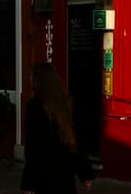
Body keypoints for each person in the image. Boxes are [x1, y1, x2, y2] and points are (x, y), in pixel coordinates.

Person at [20, 62, 95, 194]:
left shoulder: (35, 106)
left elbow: (34, 147)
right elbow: (74, 140)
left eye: (32, 76)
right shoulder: (65, 102)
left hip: (45, 174)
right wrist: (85, 172)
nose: (29, 79)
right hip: (65, 172)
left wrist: (28, 182)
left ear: (38, 80)